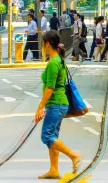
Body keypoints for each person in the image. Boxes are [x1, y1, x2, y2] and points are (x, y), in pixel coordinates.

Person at [34, 30, 82, 179]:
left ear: (48, 44)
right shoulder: (59, 60)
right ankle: (54, 170)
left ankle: (73, 155)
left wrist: (40, 107)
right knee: (53, 136)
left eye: (42, 44)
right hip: (58, 104)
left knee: (46, 136)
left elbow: (50, 88)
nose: (42, 47)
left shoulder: (54, 63)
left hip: (56, 104)